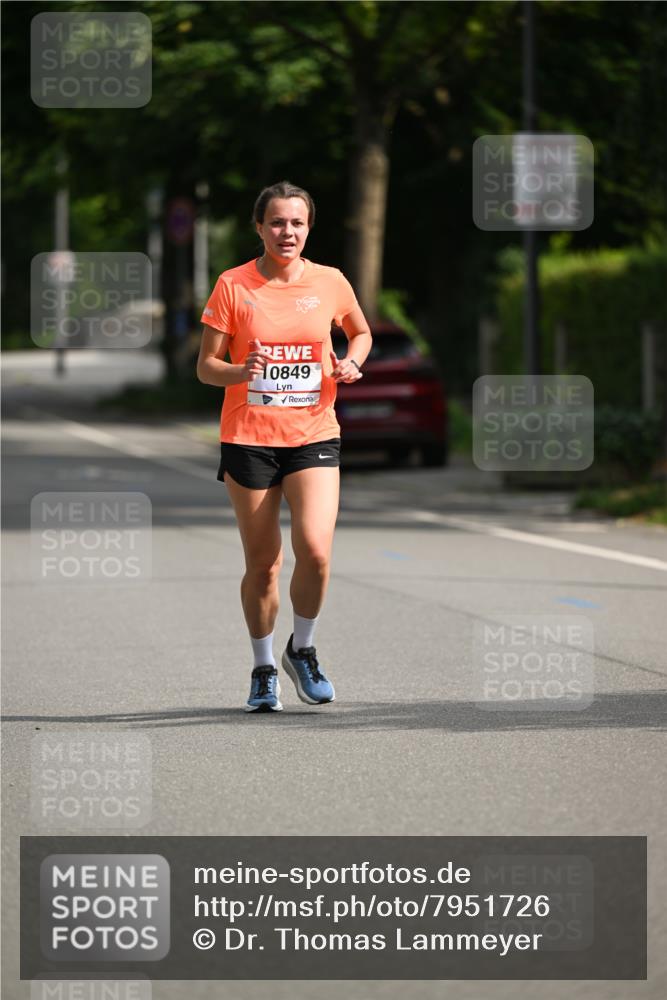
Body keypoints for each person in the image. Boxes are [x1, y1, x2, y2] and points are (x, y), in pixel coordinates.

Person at [197, 181, 372, 713]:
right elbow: (206, 367)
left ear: (308, 228)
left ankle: (305, 648)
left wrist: (351, 361)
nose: (286, 232)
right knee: (265, 564)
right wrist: (239, 369)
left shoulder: (331, 281)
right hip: (248, 437)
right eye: (276, 222)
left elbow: (360, 333)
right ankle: (264, 667)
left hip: (313, 432)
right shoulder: (233, 285)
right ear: (259, 227)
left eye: (296, 223)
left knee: (316, 552)